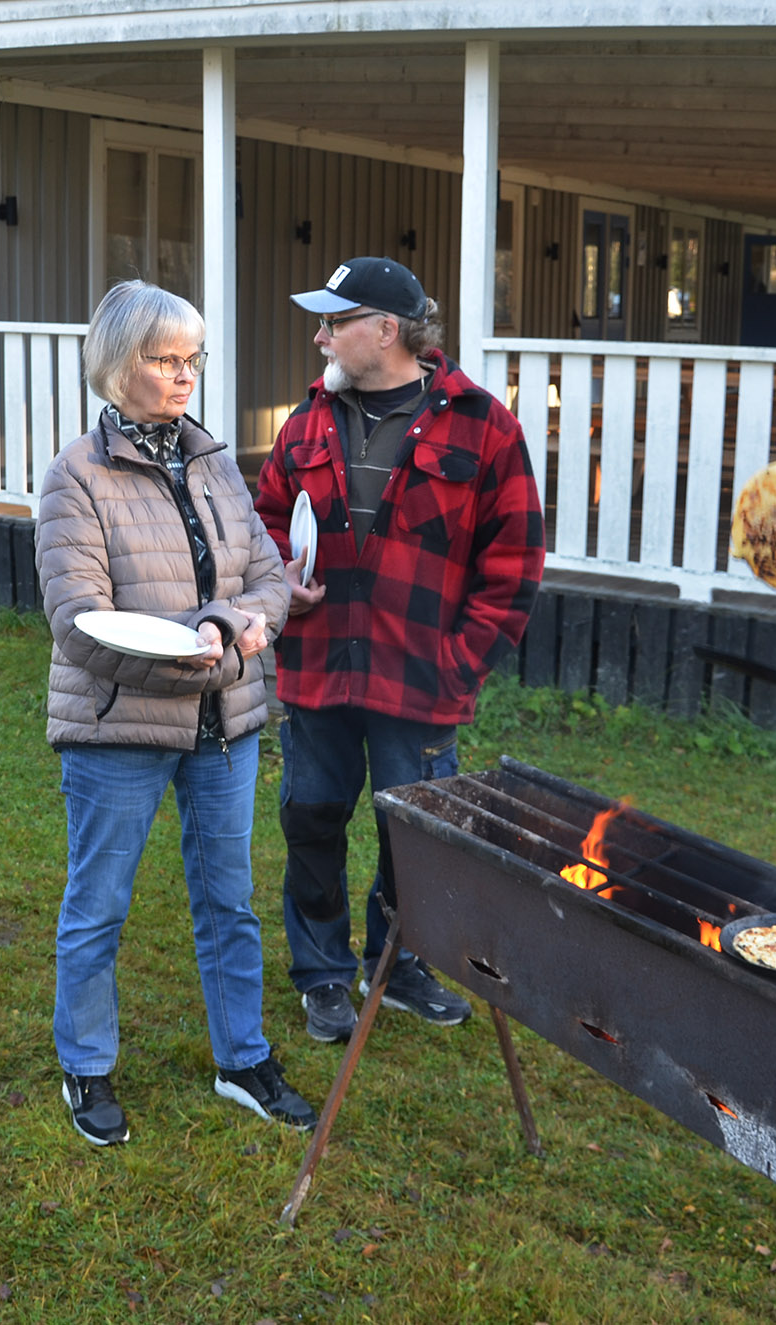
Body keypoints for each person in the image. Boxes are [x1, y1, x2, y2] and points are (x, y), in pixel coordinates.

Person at [38, 280, 315, 1146]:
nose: (185, 374)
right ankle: (85, 1067)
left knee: (229, 900)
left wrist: (227, 628)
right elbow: (79, 618)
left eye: (192, 357)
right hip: (120, 728)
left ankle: (243, 1058)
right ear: (120, 367)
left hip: (224, 724)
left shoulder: (217, 461)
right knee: (100, 904)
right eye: (165, 359)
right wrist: (206, 633)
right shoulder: (75, 477)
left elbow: (267, 573)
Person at [255, 256, 546, 1044]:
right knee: (311, 820)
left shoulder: (484, 425)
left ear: (387, 330)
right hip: (319, 668)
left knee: (412, 836)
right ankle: (321, 976)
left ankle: (399, 962)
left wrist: (460, 662)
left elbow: (513, 561)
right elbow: (268, 516)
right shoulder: (307, 420)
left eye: (334, 323)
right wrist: (279, 569)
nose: (319, 337)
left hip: (419, 683)